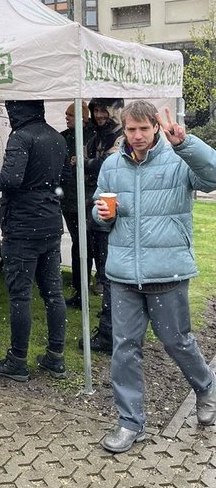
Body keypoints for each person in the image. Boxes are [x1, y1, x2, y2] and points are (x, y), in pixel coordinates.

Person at [94, 102, 216, 453]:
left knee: (176, 341)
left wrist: (187, 143)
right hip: (124, 275)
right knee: (124, 347)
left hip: (168, 270)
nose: (137, 136)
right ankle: (130, 422)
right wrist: (101, 213)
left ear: (155, 128)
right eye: (131, 130)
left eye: (143, 129)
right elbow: (100, 207)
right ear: (124, 130)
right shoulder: (112, 164)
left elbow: (213, 176)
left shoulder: (180, 159)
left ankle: (206, 385)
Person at [0, 100, 70, 382]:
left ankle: (17, 359)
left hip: (23, 226)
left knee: (20, 295)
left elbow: (10, 179)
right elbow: (65, 179)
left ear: (16, 111)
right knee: (53, 293)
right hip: (50, 222)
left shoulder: (21, 136)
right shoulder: (56, 137)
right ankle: (55, 357)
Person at [80, 98, 124, 354]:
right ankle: (110, 328)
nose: (98, 115)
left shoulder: (120, 136)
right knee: (103, 268)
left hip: (113, 212)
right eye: (95, 110)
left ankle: (109, 332)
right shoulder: (96, 137)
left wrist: (85, 164)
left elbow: (106, 164)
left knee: (110, 274)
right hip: (96, 207)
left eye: (102, 110)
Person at [59, 102, 95, 308]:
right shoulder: (63, 137)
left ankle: (90, 285)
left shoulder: (92, 137)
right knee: (78, 243)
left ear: (82, 118)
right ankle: (79, 286)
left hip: (88, 198)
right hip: (69, 199)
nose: (67, 118)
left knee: (88, 244)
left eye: (71, 115)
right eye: (66, 115)